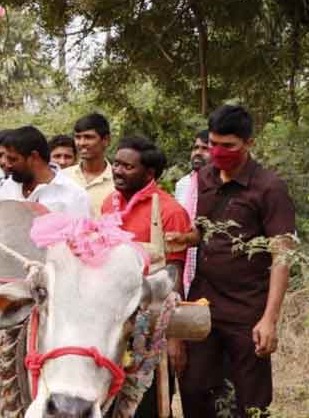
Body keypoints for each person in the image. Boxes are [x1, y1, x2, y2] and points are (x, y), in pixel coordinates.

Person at [173, 105, 296, 418]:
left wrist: (270, 319)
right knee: (195, 389)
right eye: (213, 143)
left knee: (250, 400)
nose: (218, 152)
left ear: (249, 143)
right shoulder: (205, 177)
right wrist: (187, 237)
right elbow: (205, 229)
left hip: (247, 311)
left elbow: (282, 255)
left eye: (229, 146)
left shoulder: (269, 188)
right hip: (202, 305)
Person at [101, 135, 192, 418]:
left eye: (127, 167)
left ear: (149, 173)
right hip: (112, 324)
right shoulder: (108, 204)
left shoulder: (170, 211)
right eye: (116, 164)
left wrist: (175, 336)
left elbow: (174, 277)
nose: (117, 171)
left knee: (148, 405)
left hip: (152, 328)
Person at [0, 126, 88, 216]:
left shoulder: (74, 194)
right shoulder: (10, 185)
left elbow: (82, 233)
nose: (8, 164)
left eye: (13, 159)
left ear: (34, 157)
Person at [174, 129, 210, 297]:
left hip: (208, 269)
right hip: (183, 262)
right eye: (195, 148)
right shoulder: (182, 184)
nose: (197, 153)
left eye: (205, 149)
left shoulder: (221, 186)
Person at [65, 112, 116, 217]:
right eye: (78, 137)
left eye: (88, 137)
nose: (81, 143)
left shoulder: (118, 181)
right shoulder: (63, 177)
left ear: (106, 140)